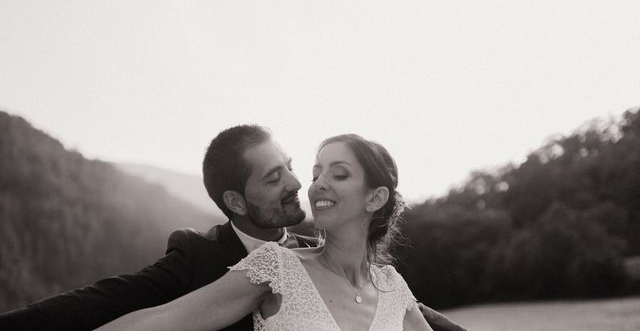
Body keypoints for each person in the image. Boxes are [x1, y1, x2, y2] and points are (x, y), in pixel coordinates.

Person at [0, 125, 466, 331]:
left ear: (376, 199)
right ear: (235, 202)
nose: (302, 184)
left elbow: (416, 314)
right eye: (273, 177)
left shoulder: (381, 280)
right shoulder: (208, 259)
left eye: (290, 167)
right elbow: (109, 305)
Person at [95, 133, 432, 331]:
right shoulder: (276, 267)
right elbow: (164, 320)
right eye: (316, 174)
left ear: (375, 197)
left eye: (339, 174)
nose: (316, 185)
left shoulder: (391, 286)